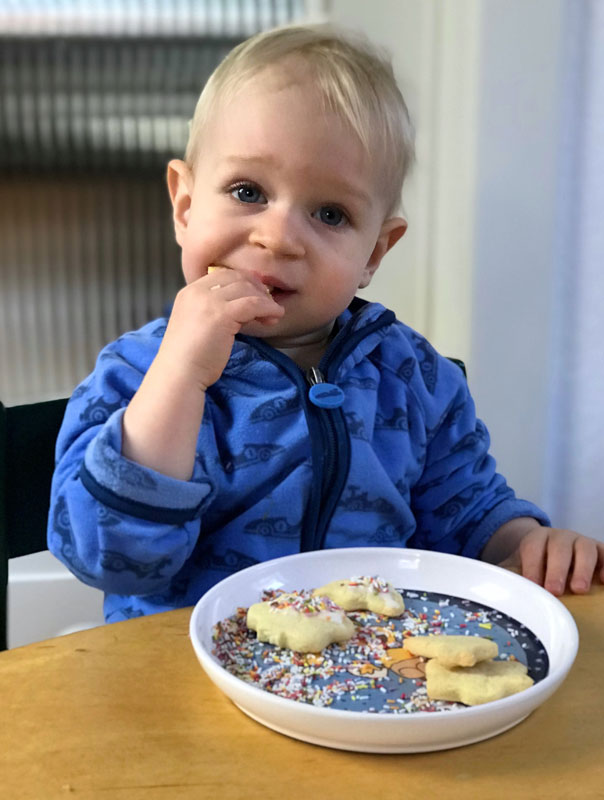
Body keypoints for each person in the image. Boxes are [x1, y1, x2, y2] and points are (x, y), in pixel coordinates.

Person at [48, 24, 603, 622]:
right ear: (185, 206)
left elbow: (468, 518)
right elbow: (106, 557)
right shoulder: (136, 374)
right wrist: (180, 377)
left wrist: (528, 546)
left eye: (330, 213)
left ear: (373, 254)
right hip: (181, 684)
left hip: (368, 687)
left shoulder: (415, 379)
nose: (279, 236)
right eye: (247, 190)